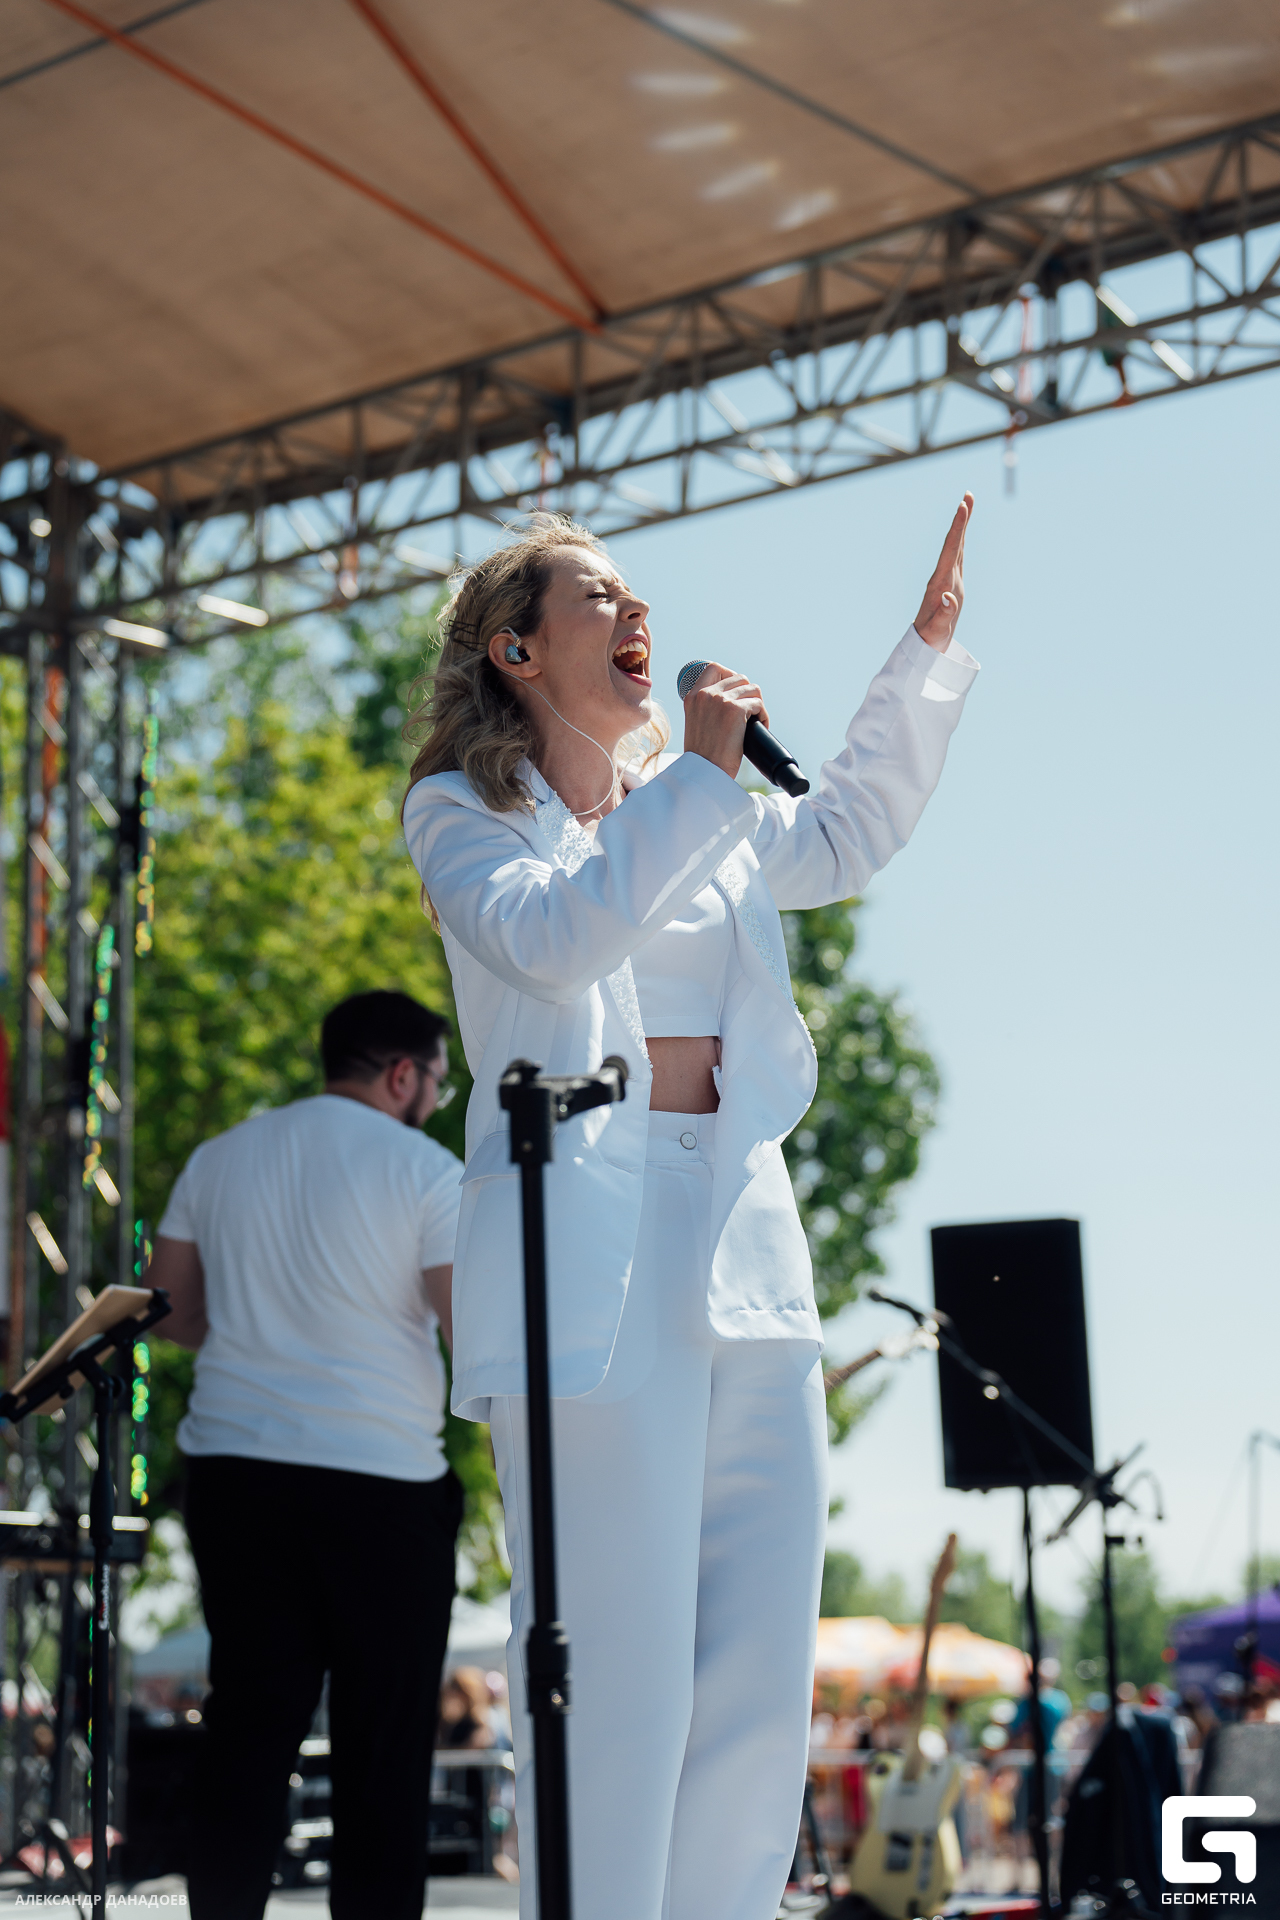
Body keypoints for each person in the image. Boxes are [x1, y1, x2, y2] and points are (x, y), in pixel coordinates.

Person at [401, 505, 978, 1920]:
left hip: (737, 1230)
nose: (636, 614)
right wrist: (702, 782)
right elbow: (553, 939)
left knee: (756, 1674)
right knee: (616, 1662)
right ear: (516, 649)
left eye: (636, 594)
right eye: (598, 595)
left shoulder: (699, 800)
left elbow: (842, 835)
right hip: (583, 1240)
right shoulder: (465, 814)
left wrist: (922, 659)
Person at [147, 989, 465, 1920]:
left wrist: (266, 1323)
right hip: (383, 1486)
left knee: (247, 1731)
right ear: (403, 1074)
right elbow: (471, 1327)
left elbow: (171, 1311)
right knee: (385, 1745)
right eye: (438, 1082)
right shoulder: (427, 1170)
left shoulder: (220, 1156)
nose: (436, 1099)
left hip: (237, 1477)